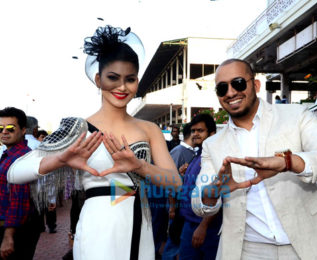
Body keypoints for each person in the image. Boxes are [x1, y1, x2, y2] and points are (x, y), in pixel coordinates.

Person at [7, 25, 181, 260]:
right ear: (98, 79)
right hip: (97, 226)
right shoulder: (76, 128)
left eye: (130, 79)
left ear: (137, 82)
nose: (122, 87)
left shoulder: (149, 129)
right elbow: (13, 173)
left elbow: (176, 184)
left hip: (142, 227)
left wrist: (140, 166)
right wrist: (60, 159)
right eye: (113, 78)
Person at [191, 58, 317, 259]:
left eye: (238, 83)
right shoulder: (213, 144)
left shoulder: (296, 115)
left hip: (309, 243)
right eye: (222, 89)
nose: (230, 93)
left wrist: (289, 163)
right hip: (247, 250)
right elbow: (198, 200)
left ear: (255, 85)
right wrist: (210, 195)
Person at [179, 113, 222, 260]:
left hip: (205, 226)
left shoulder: (216, 158)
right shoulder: (198, 155)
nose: (195, 134)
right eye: (193, 131)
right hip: (189, 222)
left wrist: (203, 226)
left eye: (200, 131)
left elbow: (217, 194)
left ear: (212, 134)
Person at [0, 107, 39, 260]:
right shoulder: (9, 154)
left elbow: (19, 201)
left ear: (23, 130)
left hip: (16, 229)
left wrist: (8, 237)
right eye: (0, 128)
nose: (4, 132)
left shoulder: (21, 158)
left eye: (10, 128)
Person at [162, 123, 196, 260]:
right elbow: (169, 179)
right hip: (175, 206)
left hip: (184, 206)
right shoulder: (178, 151)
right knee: (173, 241)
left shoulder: (194, 152)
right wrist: (172, 207)